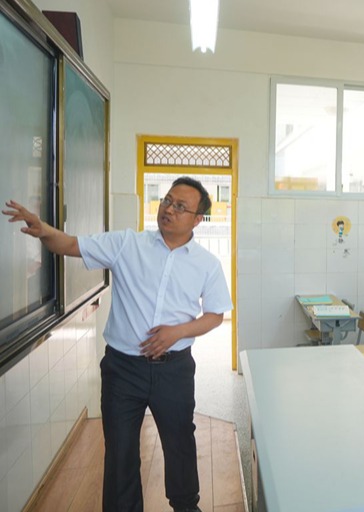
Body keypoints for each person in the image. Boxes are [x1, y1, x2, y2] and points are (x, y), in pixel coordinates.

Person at [3, 176, 233, 512]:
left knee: (179, 443)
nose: (169, 209)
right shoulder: (128, 244)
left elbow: (214, 315)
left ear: (198, 219)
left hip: (174, 371)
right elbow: (70, 245)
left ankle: (186, 506)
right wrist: (43, 229)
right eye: (168, 200)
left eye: (181, 206)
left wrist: (177, 332)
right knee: (120, 451)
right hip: (123, 371)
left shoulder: (207, 264)